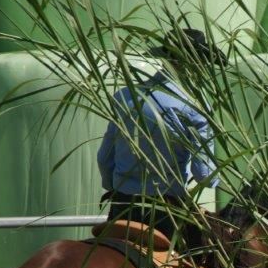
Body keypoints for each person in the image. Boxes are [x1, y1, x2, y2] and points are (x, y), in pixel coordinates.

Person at [96, 28, 226, 243]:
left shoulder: (124, 96)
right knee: (206, 263)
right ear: (196, 64)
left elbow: (104, 158)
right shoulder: (195, 106)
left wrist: (114, 187)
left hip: (121, 207)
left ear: (165, 59)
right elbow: (204, 173)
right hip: (166, 210)